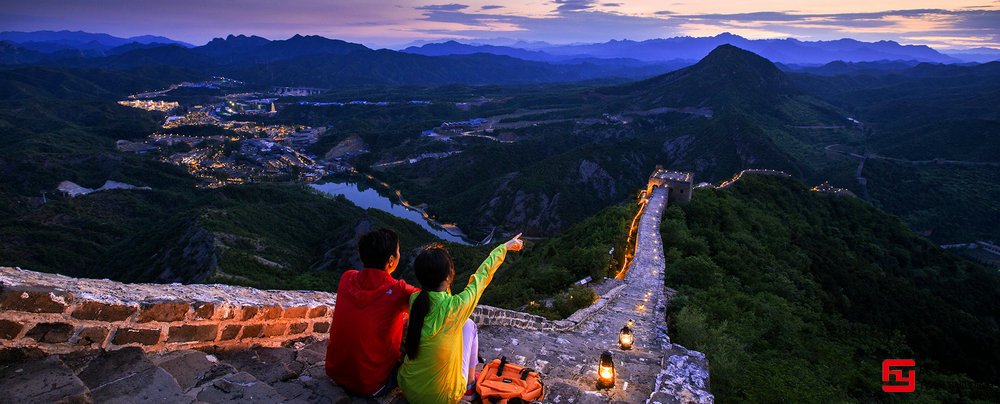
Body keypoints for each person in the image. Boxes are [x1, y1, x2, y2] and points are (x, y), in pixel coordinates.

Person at [398, 233, 524, 404]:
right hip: (441, 398)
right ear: (448, 277)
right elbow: (481, 278)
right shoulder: (456, 308)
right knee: (469, 326)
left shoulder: (415, 300)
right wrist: (504, 248)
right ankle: (470, 386)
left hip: (408, 386)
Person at [326, 228, 419, 396]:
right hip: (372, 384)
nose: (400, 255)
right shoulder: (399, 290)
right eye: (398, 252)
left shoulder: (347, 278)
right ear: (391, 260)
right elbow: (432, 301)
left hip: (335, 372)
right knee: (411, 325)